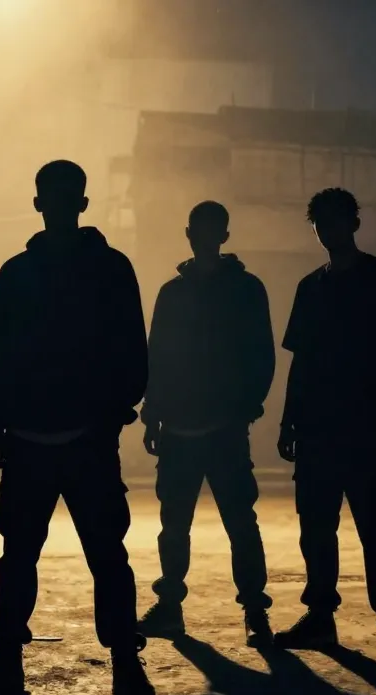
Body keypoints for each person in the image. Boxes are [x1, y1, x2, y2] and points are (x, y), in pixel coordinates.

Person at [0, 160, 154, 695]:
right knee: (102, 553)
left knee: (23, 553)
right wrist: (112, 412)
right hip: (85, 438)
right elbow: (132, 352)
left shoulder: (18, 272)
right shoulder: (110, 268)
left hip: (36, 439)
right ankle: (123, 659)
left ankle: (11, 655)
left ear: (39, 203)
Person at [272, 188, 376, 666]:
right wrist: (289, 420)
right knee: (317, 527)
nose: (327, 230)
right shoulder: (310, 287)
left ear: (354, 224)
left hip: (361, 428)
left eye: (335, 221)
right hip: (317, 428)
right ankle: (321, 616)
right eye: (320, 222)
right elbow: (300, 362)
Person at [136, 200, 276, 646]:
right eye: (201, 230)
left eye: (209, 230)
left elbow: (261, 354)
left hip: (213, 426)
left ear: (220, 236)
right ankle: (231, 610)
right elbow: (157, 356)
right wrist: (153, 412)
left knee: (227, 521)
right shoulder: (212, 290)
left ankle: (244, 609)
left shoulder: (231, 290)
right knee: (195, 522)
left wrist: (246, 404)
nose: (204, 238)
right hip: (195, 426)